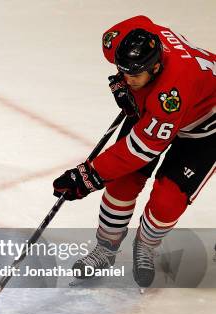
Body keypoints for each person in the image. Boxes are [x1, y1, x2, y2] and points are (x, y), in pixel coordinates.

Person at [53, 16, 215, 287]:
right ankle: (105, 249)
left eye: (134, 75)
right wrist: (124, 83)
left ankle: (146, 245)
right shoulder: (131, 43)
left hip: (204, 130)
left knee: (167, 202)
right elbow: (140, 21)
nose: (128, 79)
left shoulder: (171, 94)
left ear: (155, 68)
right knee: (121, 184)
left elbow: (140, 150)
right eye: (123, 72)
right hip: (159, 109)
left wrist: (87, 176)